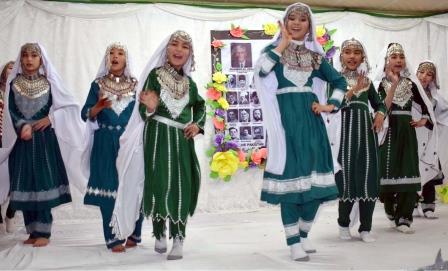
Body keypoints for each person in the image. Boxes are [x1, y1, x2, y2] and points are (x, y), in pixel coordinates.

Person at [254, 3, 347, 261]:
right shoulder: (272, 51)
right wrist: (282, 43)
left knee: (317, 186)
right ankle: (293, 241)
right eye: (291, 18)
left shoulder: (316, 57)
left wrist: (331, 105)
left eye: (302, 19)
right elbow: (262, 70)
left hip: (312, 124)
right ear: (284, 23)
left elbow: (340, 82)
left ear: (310, 25)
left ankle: (303, 235)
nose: (296, 23)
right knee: (291, 186)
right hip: (286, 126)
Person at [111, 30, 205, 261]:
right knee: (159, 182)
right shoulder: (154, 75)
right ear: (166, 49)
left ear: (190, 53)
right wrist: (150, 106)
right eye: (175, 44)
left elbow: (201, 106)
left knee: (181, 185)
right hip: (157, 138)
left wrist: (197, 125)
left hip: (182, 141)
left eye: (185, 46)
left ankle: (179, 238)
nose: (179, 49)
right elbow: (143, 110)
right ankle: (159, 232)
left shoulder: (190, 84)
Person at [0, 43, 87, 247]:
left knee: (43, 183)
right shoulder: (14, 84)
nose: (29, 59)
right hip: (22, 142)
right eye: (25, 55)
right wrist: (22, 126)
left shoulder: (50, 83)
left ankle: (44, 232)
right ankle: (32, 230)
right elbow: (12, 111)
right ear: (20, 59)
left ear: (41, 59)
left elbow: (69, 105)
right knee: (25, 184)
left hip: (45, 141)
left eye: (34, 55)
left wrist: (51, 119)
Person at [81, 43, 143, 252]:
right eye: (111, 53)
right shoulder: (97, 85)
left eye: (120, 53)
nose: (115, 56)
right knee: (109, 188)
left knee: (134, 185)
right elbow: (85, 114)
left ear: (127, 59)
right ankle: (113, 238)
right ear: (106, 58)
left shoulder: (137, 85)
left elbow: (143, 114)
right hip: (105, 142)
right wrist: (97, 107)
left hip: (130, 141)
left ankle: (135, 233)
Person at [373, 43, 436, 234]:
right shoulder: (378, 84)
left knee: (409, 171)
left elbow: (426, 105)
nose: (398, 60)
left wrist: (424, 119)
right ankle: (391, 209)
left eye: (401, 57)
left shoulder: (411, 83)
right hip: (387, 133)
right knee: (386, 174)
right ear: (386, 60)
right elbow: (374, 108)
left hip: (407, 134)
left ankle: (405, 218)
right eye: (394, 57)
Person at [334, 38, 386, 243]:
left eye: (356, 52)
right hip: (344, 137)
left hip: (366, 136)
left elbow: (379, 104)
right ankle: (343, 224)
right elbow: (334, 104)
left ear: (362, 57)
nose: (352, 56)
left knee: (368, 178)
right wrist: (354, 90)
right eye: (348, 52)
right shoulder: (335, 80)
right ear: (341, 56)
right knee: (346, 180)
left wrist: (380, 114)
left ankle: (366, 228)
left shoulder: (368, 81)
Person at [414, 61, 447, 218]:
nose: (424, 76)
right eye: (421, 72)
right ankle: (411, 204)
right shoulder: (407, 92)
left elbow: (441, 117)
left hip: (427, 137)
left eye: (429, 74)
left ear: (433, 78)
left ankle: (428, 206)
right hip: (411, 138)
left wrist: (426, 121)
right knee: (412, 171)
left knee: (428, 167)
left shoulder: (435, 98)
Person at [0, 61, 17, 234]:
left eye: (14, 68)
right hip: (0, 140)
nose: (11, 71)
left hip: (16, 140)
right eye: (9, 68)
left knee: (17, 180)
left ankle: (10, 214)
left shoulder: (21, 93)